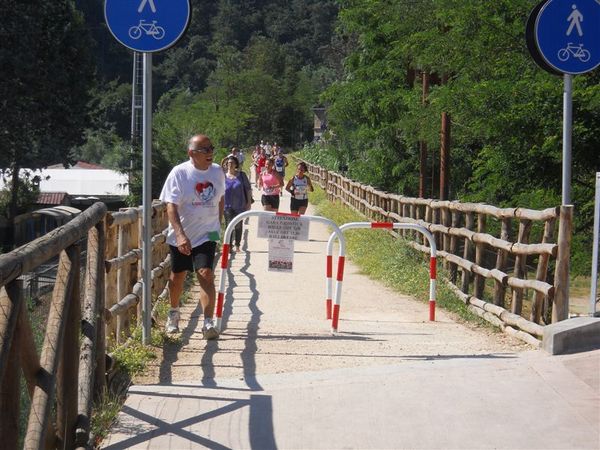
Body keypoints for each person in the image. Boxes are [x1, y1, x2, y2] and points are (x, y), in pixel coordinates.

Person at [159, 134, 225, 339]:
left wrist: (217, 224)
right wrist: (179, 234)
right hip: (183, 234)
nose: (210, 152)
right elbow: (170, 205)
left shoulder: (217, 171)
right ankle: (174, 312)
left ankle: (207, 322)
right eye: (204, 149)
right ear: (191, 153)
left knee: (206, 273)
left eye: (211, 148)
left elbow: (221, 198)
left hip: (207, 234)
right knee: (178, 275)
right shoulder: (179, 173)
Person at [223, 155, 252, 252]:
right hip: (227, 205)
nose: (230, 164)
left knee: (238, 225)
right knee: (228, 225)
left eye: (232, 163)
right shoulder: (223, 176)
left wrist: (248, 203)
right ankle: (229, 246)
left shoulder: (241, 175)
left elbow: (248, 189)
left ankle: (238, 244)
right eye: (228, 163)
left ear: (236, 164)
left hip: (240, 205)